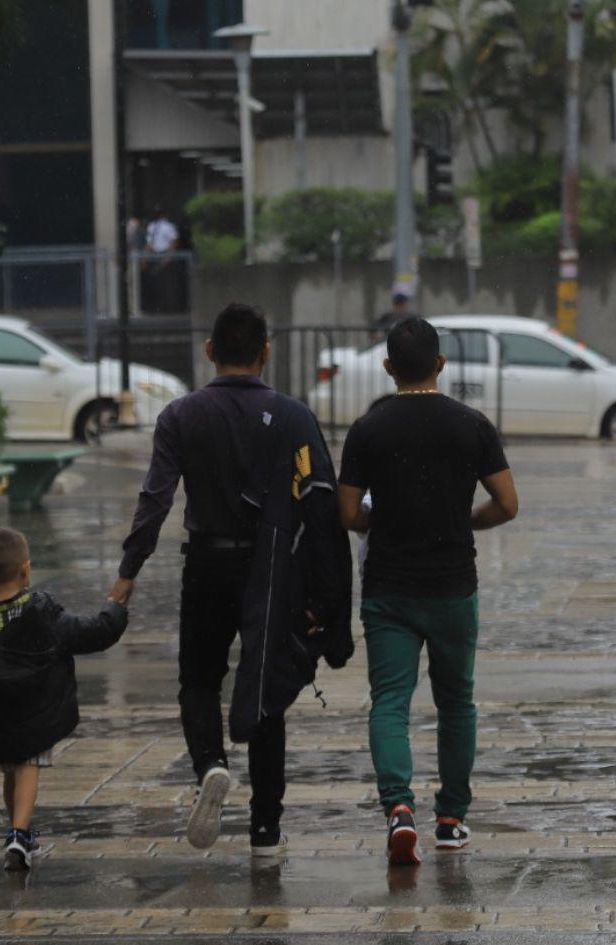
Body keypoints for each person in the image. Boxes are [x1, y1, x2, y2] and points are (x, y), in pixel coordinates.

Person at [111, 302, 353, 858]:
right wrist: (328, 595)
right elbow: (320, 507)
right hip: (273, 574)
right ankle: (265, 829)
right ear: (265, 352)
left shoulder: (181, 415)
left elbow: (156, 498)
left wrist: (129, 572)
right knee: (266, 687)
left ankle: (211, 766)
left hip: (207, 565)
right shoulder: (293, 416)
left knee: (199, 678)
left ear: (210, 351)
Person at [336, 317, 518, 867]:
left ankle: (398, 810)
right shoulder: (473, 425)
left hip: (389, 589)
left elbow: (347, 512)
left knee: (390, 702)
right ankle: (451, 820)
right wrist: (465, 522)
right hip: (452, 588)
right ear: (440, 364)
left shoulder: (367, 429)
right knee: (455, 702)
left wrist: (382, 523)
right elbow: (508, 504)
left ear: (389, 367)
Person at [0, 528, 129, 872]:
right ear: (26, 570)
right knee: (29, 764)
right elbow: (90, 633)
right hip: (34, 714)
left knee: (10, 771)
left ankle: (18, 830)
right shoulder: (40, 613)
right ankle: (19, 833)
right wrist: (115, 610)